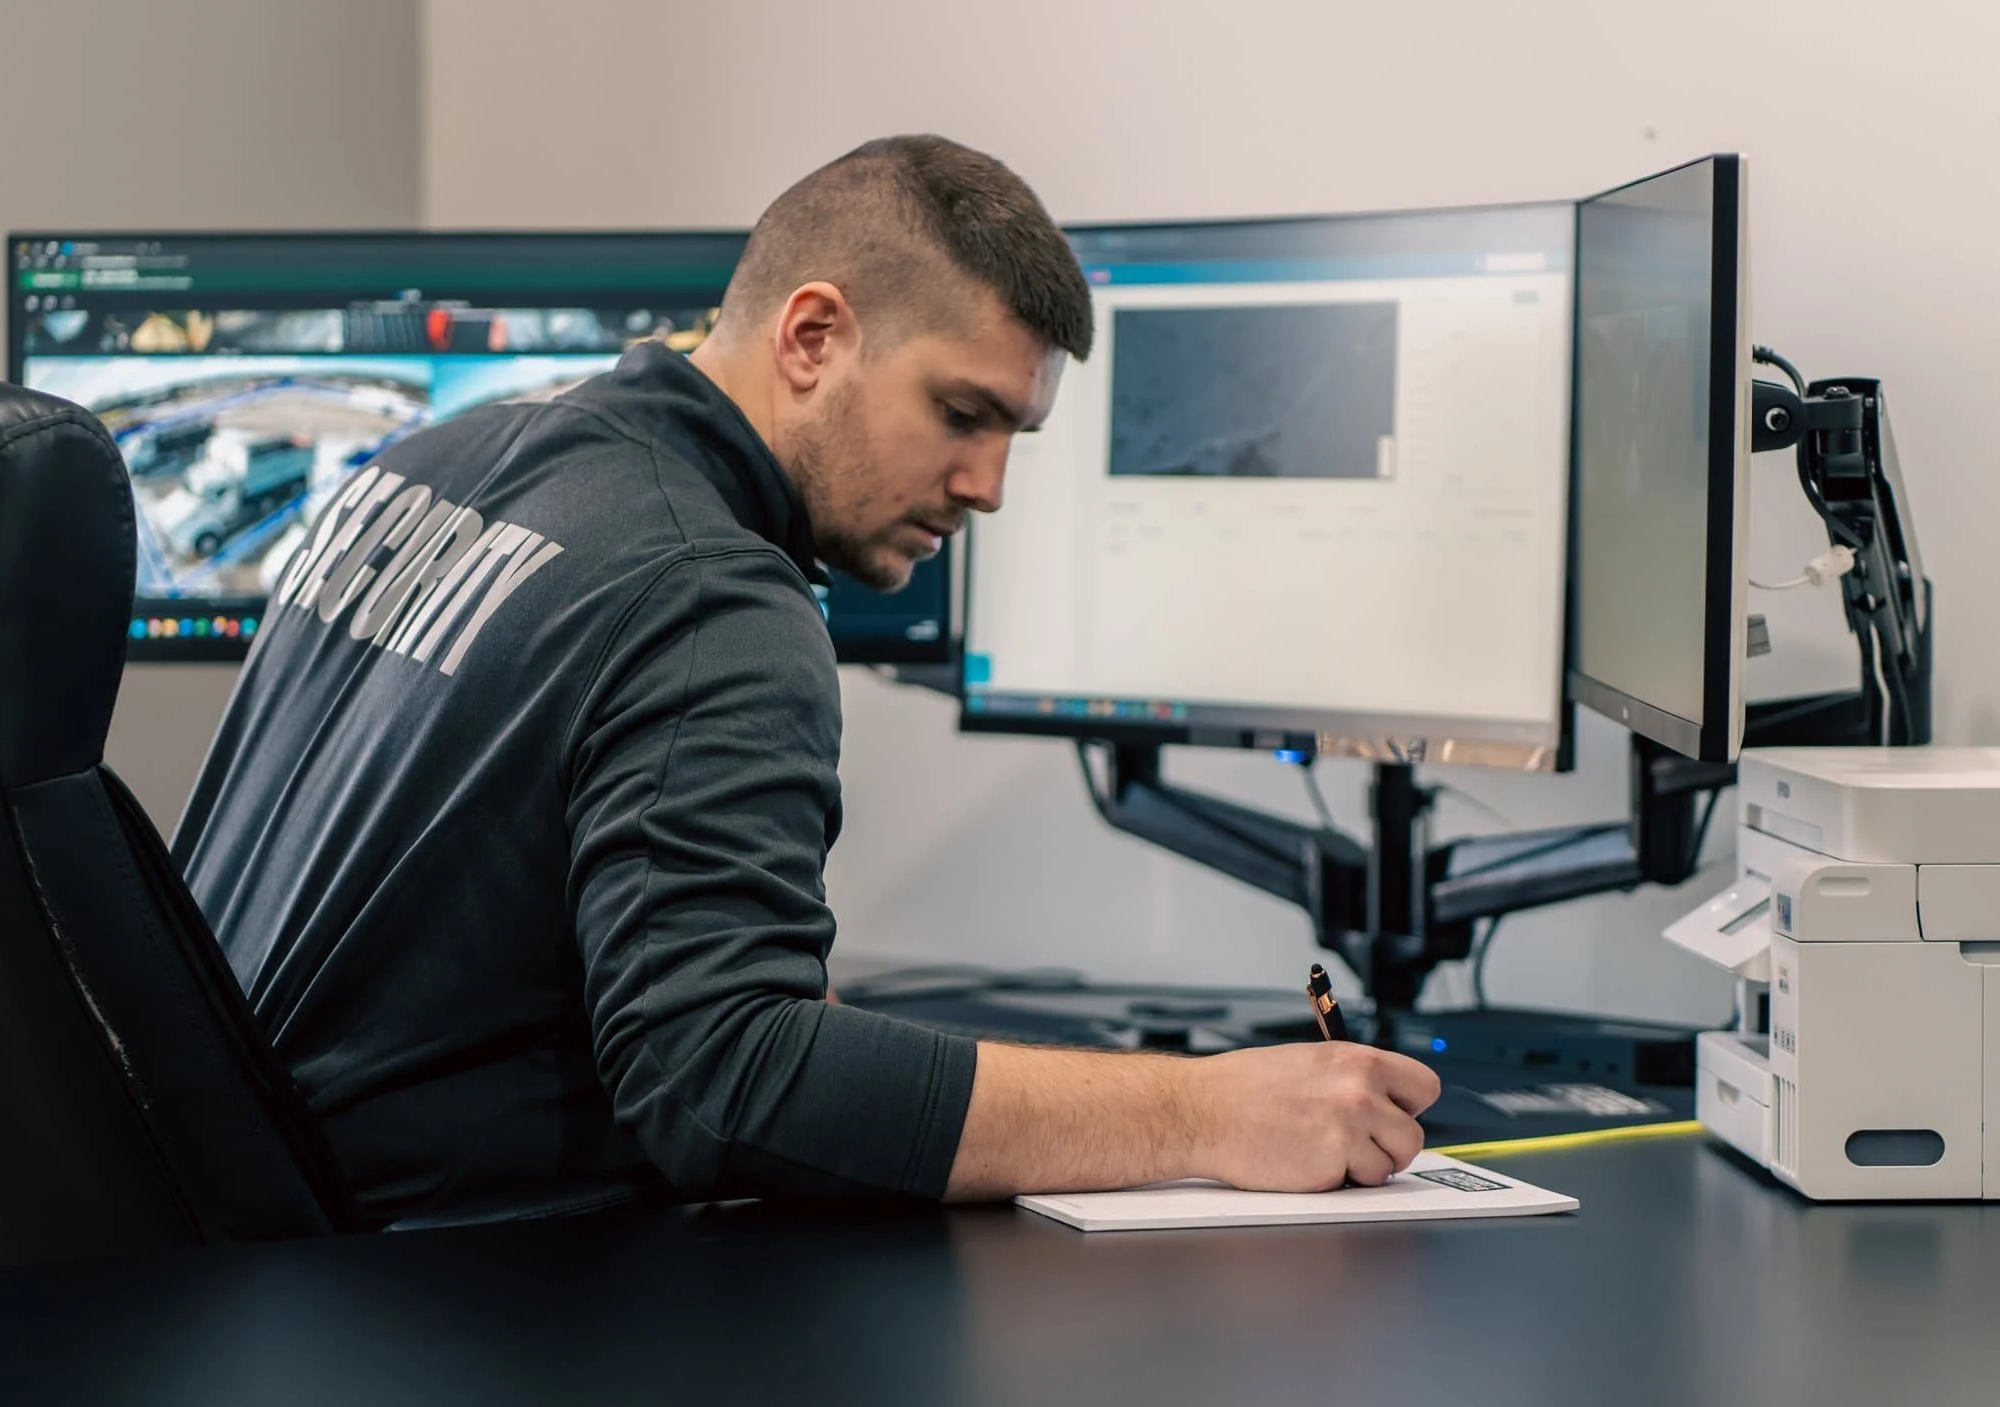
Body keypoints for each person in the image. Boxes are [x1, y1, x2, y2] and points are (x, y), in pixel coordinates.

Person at [175, 134, 1439, 1228]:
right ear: (813, 335)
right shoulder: (709, 591)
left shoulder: (438, 457)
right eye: (959, 413)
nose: (987, 485)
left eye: (1013, 436)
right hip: (435, 1290)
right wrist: (1203, 1109)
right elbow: (721, 1085)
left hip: (210, 1227)